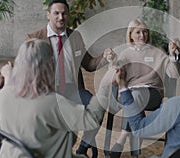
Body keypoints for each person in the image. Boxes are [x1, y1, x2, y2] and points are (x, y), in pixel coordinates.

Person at [25, 0, 114, 157]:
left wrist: (105, 58)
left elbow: (89, 64)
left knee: (98, 107)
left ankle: (82, 149)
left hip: (74, 91)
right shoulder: (34, 38)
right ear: (48, 15)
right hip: (49, 94)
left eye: (64, 13)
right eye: (56, 13)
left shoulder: (75, 36)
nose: (61, 17)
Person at [0, 38, 108, 158]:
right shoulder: (52, 102)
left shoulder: (4, 94)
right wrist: (106, 83)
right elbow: (91, 119)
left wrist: (8, 76)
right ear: (49, 65)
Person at [106, 18, 180, 157]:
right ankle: (135, 152)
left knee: (133, 99)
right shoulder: (126, 54)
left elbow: (173, 73)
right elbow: (114, 78)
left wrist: (171, 55)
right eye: (138, 32)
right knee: (134, 102)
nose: (142, 36)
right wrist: (112, 62)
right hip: (132, 94)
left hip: (153, 94)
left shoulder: (157, 51)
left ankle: (122, 139)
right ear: (131, 35)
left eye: (145, 32)